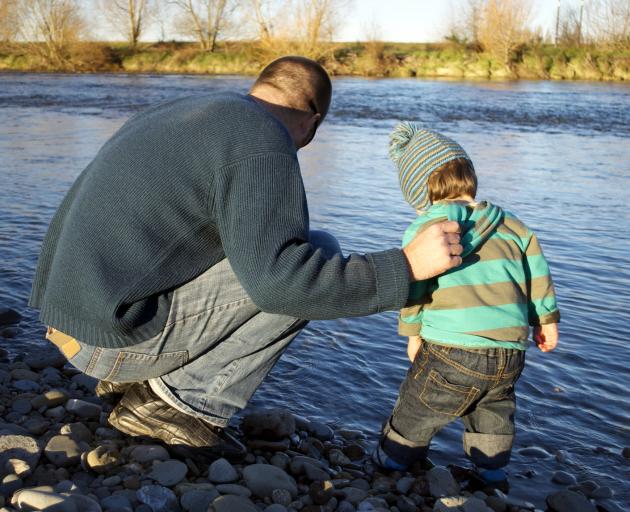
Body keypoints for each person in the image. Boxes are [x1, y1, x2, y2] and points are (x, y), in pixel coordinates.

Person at [29, 57, 464, 462]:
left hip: (67, 320)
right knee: (317, 254)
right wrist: (405, 268)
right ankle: (177, 406)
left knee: (250, 246)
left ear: (260, 88)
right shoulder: (264, 139)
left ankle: (133, 382)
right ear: (312, 125)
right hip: (109, 339)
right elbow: (282, 283)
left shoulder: (189, 109)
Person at [372, 123, 560, 489]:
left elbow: (415, 287)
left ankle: (392, 459)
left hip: (452, 348)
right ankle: (492, 472)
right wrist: (546, 320)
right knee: (493, 407)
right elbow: (537, 272)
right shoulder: (514, 226)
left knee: (419, 404)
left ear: (418, 190)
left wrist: (412, 334)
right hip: (509, 351)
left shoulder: (426, 229)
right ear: (469, 176)